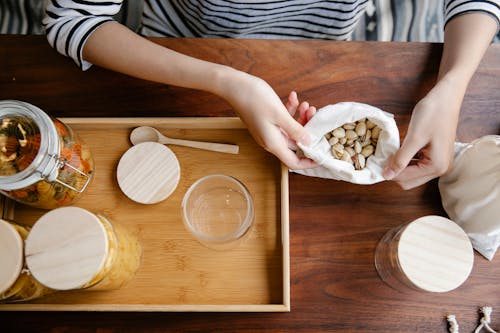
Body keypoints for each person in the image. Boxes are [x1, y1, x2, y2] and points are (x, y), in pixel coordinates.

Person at [43, 1, 499, 189]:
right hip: (180, 51)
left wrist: (453, 87)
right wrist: (228, 83)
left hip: (329, 49)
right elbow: (72, 20)